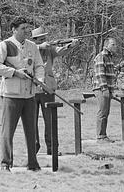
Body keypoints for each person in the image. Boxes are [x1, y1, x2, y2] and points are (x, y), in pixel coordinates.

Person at [0, 17, 45, 172]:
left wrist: (39, 79)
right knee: (8, 131)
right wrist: (14, 72)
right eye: (23, 28)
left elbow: (39, 65)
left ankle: (33, 163)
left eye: (28, 28)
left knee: (32, 131)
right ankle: (5, 163)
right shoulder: (4, 45)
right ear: (13, 29)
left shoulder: (33, 46)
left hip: (30, 95)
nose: (27, 31)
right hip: (11, 95)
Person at [31, 26, 79, 155]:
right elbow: (24, 51)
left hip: (47, 89)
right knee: (31, 121)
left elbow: (60, 51)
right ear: (35, 40)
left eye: (44, 38)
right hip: (32, 89)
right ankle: (33, 147)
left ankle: (52, 148)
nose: (44, 41)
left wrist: (71, 45)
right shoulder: (30, 48)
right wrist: (40, 46)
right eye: (41, 39)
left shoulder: (49, 49)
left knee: (50, 121)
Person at [92, 37, 117, 143]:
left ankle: (104, 135)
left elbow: (110, 75)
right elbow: (100, 74)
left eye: (115, 45)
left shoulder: (109, 57)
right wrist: (104, 88)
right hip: (101, 89)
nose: (115, 47)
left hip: (108, 89)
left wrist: (113, 88)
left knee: (106, 112)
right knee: (102, 111)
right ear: (106, 45)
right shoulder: (101, 56)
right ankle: (100, 136)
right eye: (113, 44)